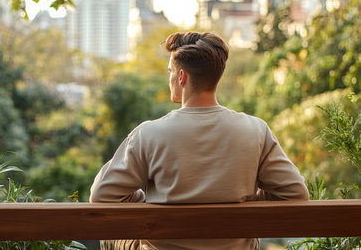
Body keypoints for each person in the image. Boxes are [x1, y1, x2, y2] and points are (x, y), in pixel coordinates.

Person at [89, 32, 309, 250]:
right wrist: (245, 203)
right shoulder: (256, 130)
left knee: (109, 238)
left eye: (170, 73)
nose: (169, 79)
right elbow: (295, 194)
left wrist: (149, 202)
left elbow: (102, 196)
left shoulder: (148, 134)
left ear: (182, 77)